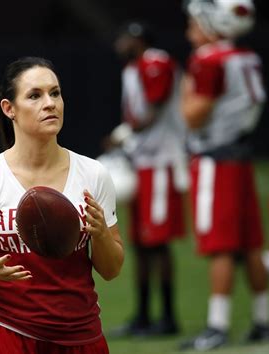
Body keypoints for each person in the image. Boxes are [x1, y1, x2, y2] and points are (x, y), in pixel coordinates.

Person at [0, 56, 124, 354]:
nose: (50, 103)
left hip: (82, 335)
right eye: (35, 95)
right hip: (10, 333)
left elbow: (111, 270)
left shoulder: (93, 174)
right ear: (9, 109)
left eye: (55, 93)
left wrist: (100, 235)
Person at [178, 0, 269, 350]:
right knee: (250, 243)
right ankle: (263, 320)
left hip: (215, 161)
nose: (190, 31)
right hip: (241, 155)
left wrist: (186, 85)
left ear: (210, 22)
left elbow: (192, 117)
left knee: (220, 245)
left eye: (194, 23)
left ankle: (217, 326)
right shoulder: (246, 56)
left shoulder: (208, 60)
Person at [105, 21, 188, 338]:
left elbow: (154, 107)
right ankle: (142, 315)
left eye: (124, 38)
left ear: (137, 40)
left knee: (158, 242)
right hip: (141, 162)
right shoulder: (132, 68)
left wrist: (124, 134)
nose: (119, 43)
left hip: (161, 162)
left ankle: (167, 317)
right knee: (140, 243)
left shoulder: (155, 61)